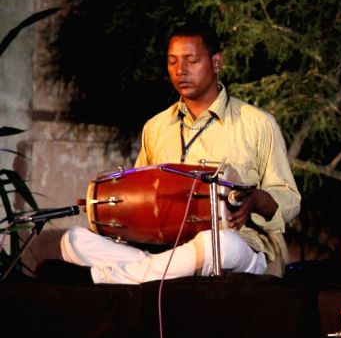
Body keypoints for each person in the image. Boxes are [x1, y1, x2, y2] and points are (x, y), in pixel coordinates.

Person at [60, 26, 301, 284]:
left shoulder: (258, 124)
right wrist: (111, 209)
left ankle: (110, 276)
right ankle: (150, 271)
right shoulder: (156, 127)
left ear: (216, 62)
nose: (180, 70)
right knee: (72, 240)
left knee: (215, 243)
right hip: (166, 251)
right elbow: (141, 193)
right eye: (172, 61)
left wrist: (255, 200)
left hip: (236, 248)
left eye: (192, 60)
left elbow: (290, 200)